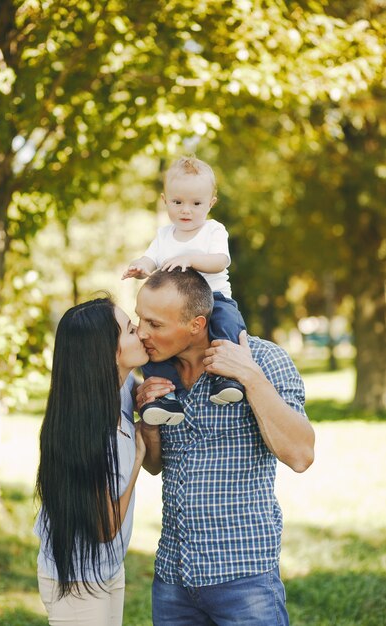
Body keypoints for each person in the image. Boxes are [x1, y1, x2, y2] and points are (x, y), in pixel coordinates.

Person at [135, 268, 315, 626]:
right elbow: (156, 466)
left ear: (196, 324)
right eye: (140, 319)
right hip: (173, 577)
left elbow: (300, 454)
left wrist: (248, 375)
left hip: (244, 578)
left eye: (155, 324)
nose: (142, 333)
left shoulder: (265, 360)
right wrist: (148, 422)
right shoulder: (155, 370)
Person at [34, 296, 148, 626]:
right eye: (129, 329)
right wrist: (138, 458)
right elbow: (104, 527)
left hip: (108, 567)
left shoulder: (120, 390)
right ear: (106, 353)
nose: (139, 331)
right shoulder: (88, 430)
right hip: (77, 581)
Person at [122, 155, 246, 426]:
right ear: (165, 200)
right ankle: (166, 396)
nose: (186, 210)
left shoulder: (213, 230)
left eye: (196, 203)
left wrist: (190, 258)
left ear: (210, 203)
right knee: (152, 346)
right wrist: (140, 267)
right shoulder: (164, 235)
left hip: (214, 298)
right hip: (175, 309)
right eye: (178, 202)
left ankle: (226, 377)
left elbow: (220, 261)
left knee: (227, 326)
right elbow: (150, 258)